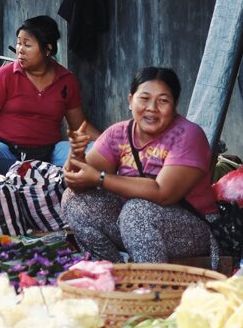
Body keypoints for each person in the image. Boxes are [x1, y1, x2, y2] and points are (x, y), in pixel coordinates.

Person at [61, 67, 219, 263]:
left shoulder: (188, 135)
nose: (152, 107)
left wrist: (100, 178)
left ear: (175, 105)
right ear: (130, 100)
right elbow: (77, 181)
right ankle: (113, 273)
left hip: (194, 228)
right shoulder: (117, 133)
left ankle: (152, 286)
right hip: (135, 223)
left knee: (136, 211)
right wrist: (75, 154)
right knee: (74, 201)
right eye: (144, 99)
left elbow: (163, 192)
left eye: (163, 101)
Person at [0, 15, 99, 173]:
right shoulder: (3, 76)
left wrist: (111, 142)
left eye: (27, 45)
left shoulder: (66, 81)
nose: (20, 50)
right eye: (19, 43)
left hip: (50, 152)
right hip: (6, 151)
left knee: (96, 152)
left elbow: (79, 126)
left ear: (47, 49)